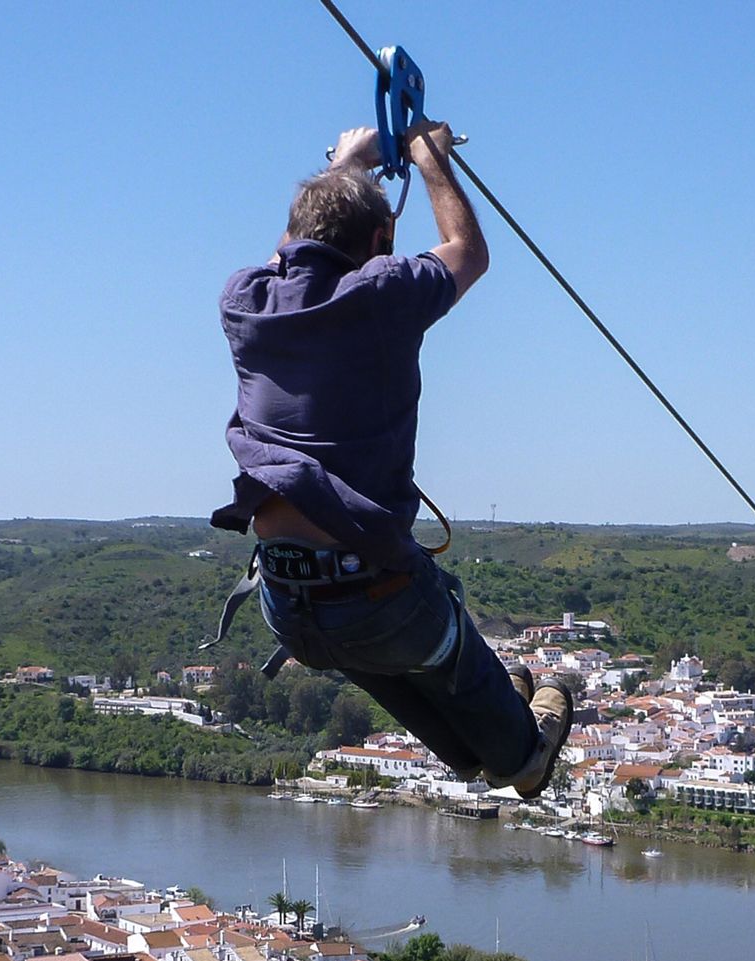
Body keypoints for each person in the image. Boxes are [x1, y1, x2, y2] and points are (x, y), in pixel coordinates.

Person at [209, 121, 573, 798]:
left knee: (376, 651)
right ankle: (519, 752)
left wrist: (342, 168)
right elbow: (466, 250)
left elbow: (291, 252)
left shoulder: (244, 301)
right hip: (376, 601)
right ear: (379, 245)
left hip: (288, 608)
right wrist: (432, 163)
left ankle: (471, 750)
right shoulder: (383, 293)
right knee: (440, 632)